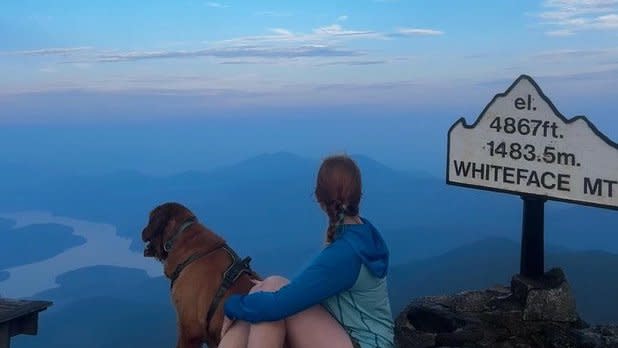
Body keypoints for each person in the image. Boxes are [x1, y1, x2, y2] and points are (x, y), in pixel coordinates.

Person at [219, 154, 395, 348]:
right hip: (364, 338)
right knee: (268, 287)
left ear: (319, 198)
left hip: (362, 343)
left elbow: (277, 306)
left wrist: (231, 306)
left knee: (266, 303)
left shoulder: (344, 253)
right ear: (358, 194)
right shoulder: (363, 233)